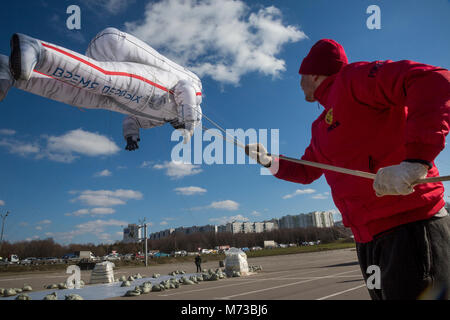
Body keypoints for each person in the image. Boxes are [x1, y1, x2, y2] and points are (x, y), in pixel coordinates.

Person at [246, 39, 450, 300]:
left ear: (316, 73)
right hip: (367, 240)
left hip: (411, 227)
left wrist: (416, 160)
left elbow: (434, 80)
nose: (299, 82)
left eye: (302, 74)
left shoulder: (354, 80)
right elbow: (307, 171)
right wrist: (267, 160)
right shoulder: (320, 127)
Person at [0, 28, 203, 147]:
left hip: (120, 102)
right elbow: (186, 89)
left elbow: (132, 120)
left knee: (78, 95)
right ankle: (38, 50)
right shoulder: (191, 98)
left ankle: (11, 73)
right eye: (179, 125)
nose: (176, 127)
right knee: (103, 77)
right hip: (153, 83)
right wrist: (190, 122)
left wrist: (131, 137)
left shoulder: (160, 120)